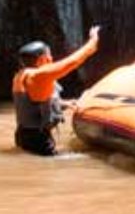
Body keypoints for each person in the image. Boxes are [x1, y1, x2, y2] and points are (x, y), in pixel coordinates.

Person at [12, 26, 100, 156]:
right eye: (50, 56)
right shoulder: (38, 76)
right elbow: (72, 62)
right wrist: (92, 41)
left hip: (22, 135)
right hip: (38, 140)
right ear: (42, 59)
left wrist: (64, 103)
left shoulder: (20, 75)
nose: (52, 59)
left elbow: (34, 101)